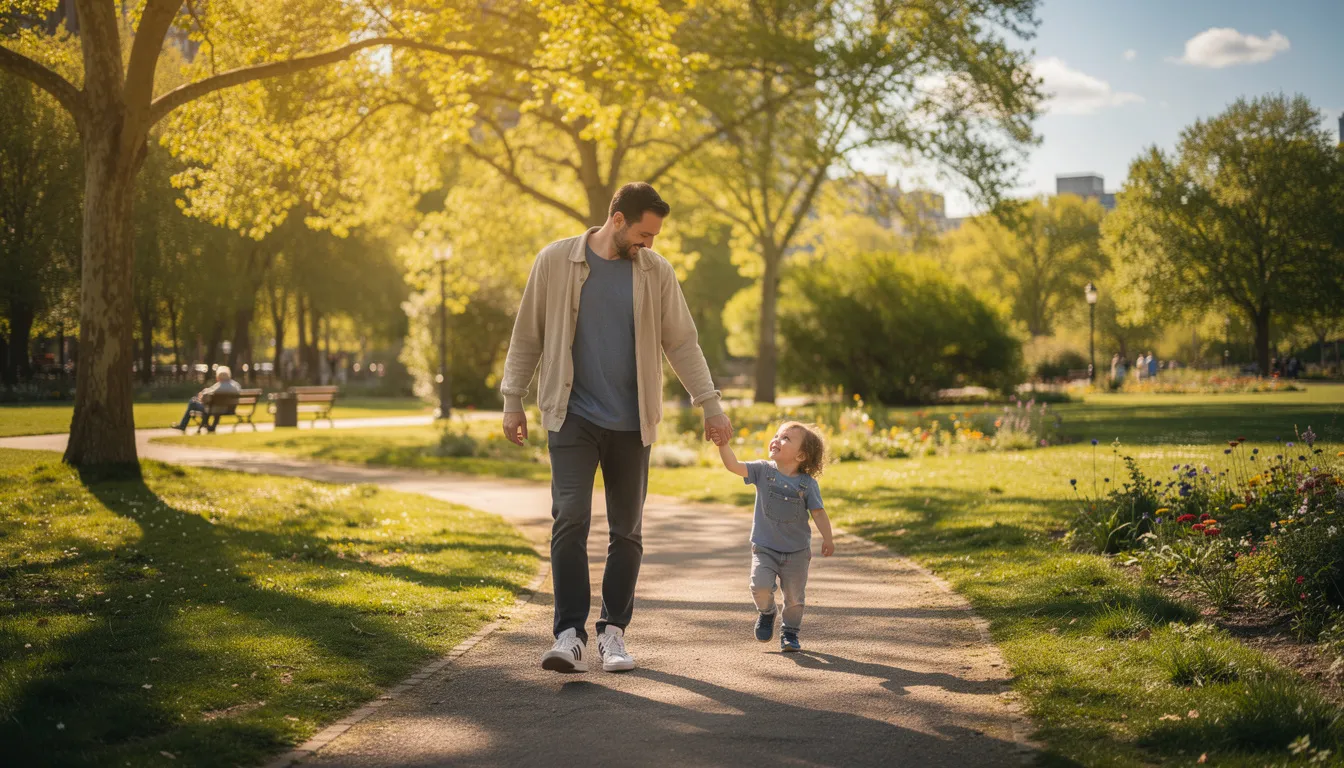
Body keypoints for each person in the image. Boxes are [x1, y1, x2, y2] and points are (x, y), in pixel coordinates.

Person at [499, 182, 733, 674]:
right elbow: (528, 334)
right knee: (570, 518)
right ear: (619, 219)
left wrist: (709, 404)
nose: (650, 244)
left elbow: (682, 343)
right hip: (572, 415)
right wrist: (512, 399)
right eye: (645, 233)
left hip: (632, 422)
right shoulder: (555, 261)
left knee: (627, 530)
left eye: (655, 236)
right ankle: (569, 634)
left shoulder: (656, 272)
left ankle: (613, 633)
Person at [716, 421, 834, 652]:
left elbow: (818, 513)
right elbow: (733, 465)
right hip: (765, 547)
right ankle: (767, 612)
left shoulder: (807, 484)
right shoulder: (762, 470)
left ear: (801, 455)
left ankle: (790, 632)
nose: (776, 440)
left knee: (794, 598)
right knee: (759, 586)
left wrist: (828, 539)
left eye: (786, 438)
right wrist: (723, 444)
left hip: (797, 552)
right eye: (777, 435)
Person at [171, 366, 240, 432]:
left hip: (214, 409)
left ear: (219, 377)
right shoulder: (235, 386)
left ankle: (182, 425)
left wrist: (201, 395)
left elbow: (206, 395)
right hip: (228, 409)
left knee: (192, 402)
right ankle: (210, 426)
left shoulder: (219, 386)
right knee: (211, 405)